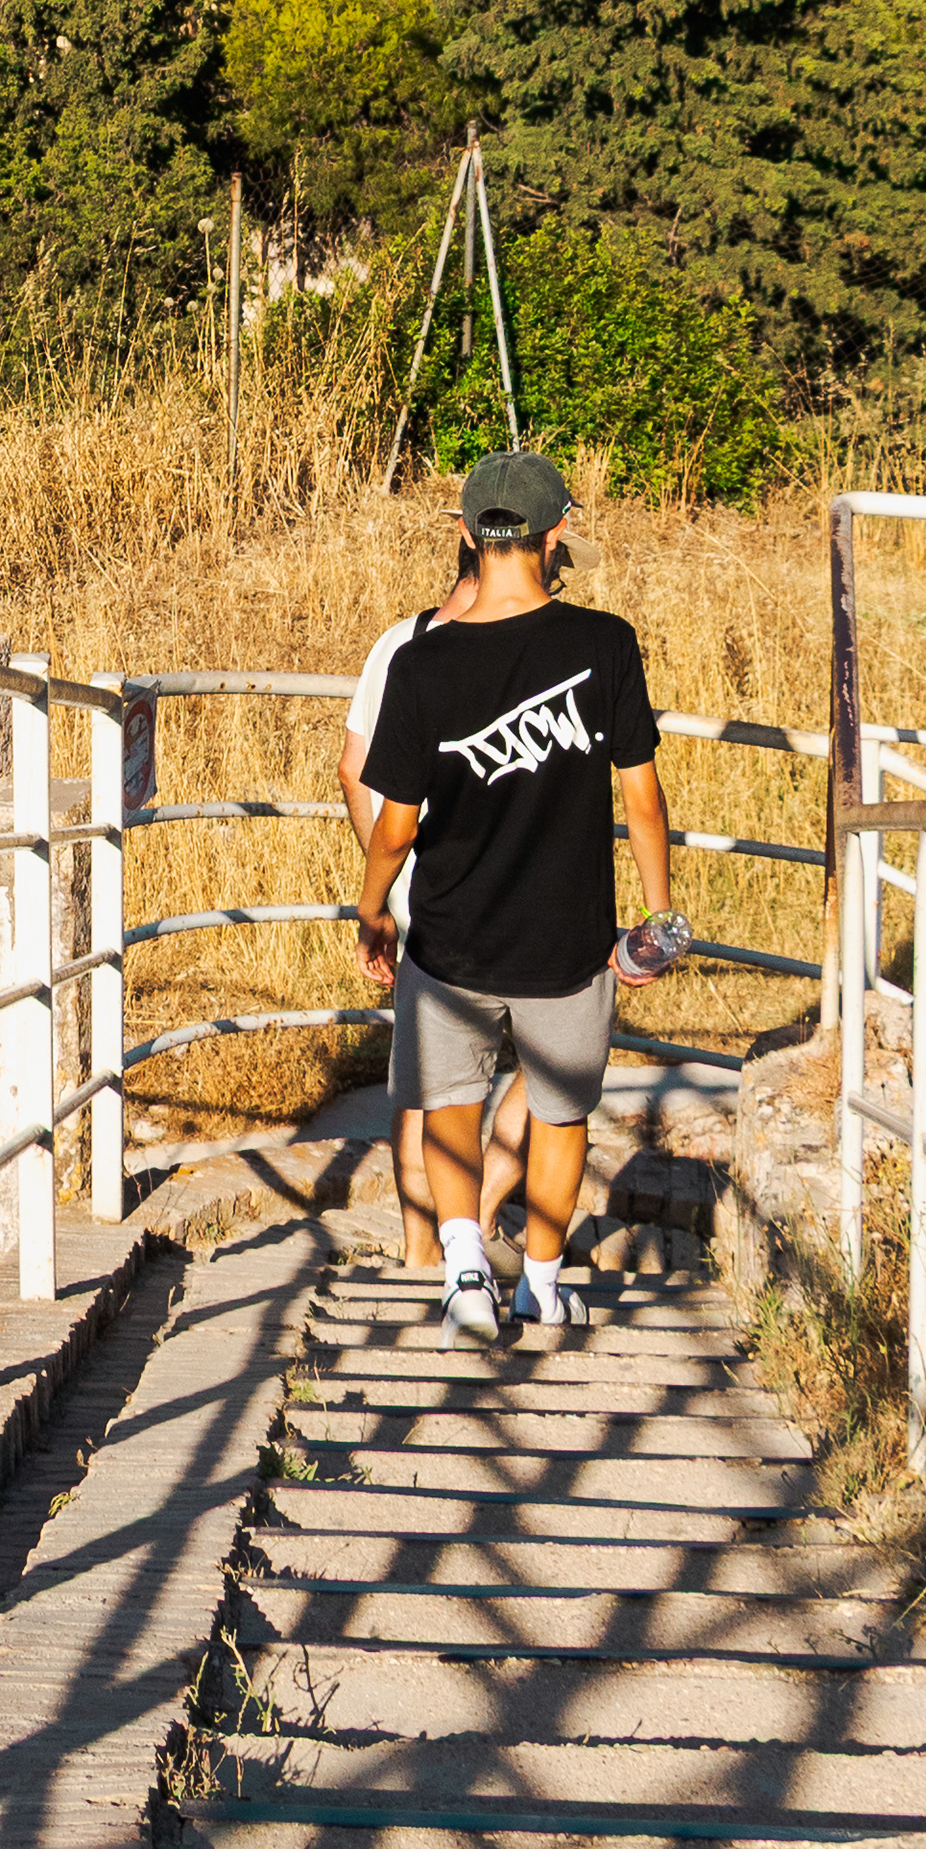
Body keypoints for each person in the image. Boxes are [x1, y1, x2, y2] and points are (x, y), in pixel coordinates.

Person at [355, 447, 681, 1341]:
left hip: (452, 936)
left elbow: (394, 825)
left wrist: (374, 907)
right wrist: (657, 918)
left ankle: (466, 1275)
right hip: (570, 941)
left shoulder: (422, 667)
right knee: (560, 1112)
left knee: (451, 1106)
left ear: (464, 534)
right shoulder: (604, 644)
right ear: (557, 530)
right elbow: (642, 796)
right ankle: (540, 1281)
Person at [343, 529, 537, 1323]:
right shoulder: (537, 641)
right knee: (555, 1061)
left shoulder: (401, 643)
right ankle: (481, 1218)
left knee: (426, 1081)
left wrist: (390, 884)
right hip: (522, 891)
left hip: (427, 898)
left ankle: (429, 1255)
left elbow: (355, 767)